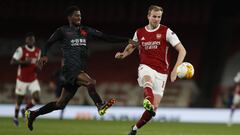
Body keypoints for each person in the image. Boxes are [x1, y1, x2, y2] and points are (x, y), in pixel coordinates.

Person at [25, 5, 135, 131]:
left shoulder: (85, 30)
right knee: (90, 82)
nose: (79, 17)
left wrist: (127, 40)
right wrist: (43, 55)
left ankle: (33, 114)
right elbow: (48, 43)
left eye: (80, 15)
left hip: (78, 70)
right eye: (76, 15)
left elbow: (106, 37)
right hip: (69, 69)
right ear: (69, 17)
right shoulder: (62, 31)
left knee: (60, 104)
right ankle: (100, 105)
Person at [115, 5, 186, 135]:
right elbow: (132, 46)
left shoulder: (166, 31)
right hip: (145, 67)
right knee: (147, 80)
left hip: (162, 72)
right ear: (148, 16)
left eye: (159, 17)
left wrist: (175, 69)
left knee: (153, 109)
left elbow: (182, 50)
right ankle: (147, 99)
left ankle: (135, 128)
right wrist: (123, 54)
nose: (156, 19)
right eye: (154, 16)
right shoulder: (139, 32)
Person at [11, 32, 41, 126]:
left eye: (32, 39)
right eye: (29, 39)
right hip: (22, 80)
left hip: (33, 79)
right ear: (26, 40)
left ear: (34, 40)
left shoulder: (38, 51)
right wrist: (24, 62)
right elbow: (13, 61)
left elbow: (38, 65)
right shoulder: (21, 50)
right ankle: (15, 117)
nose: (31, 41)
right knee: (19, 100)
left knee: (37, 98)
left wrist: (39, 66)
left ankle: (25, 110)